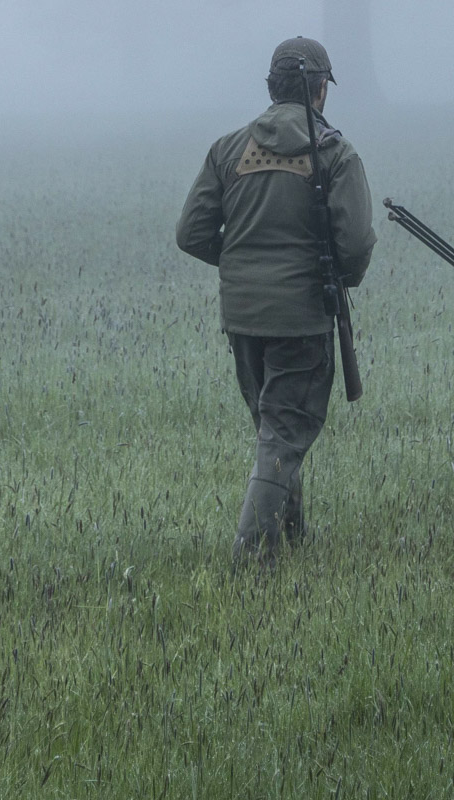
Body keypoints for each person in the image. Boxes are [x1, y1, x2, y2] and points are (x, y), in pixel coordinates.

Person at [176, 36, 375, 564]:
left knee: (274, 431)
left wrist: (244, 267)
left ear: (271, 88)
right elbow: (354, 245)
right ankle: (250, 556)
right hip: (303, 316)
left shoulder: (228, 148)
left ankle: (292, 537)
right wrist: (332, 276)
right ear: (320, 91)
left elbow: (192, 233)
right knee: (284, 433)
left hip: (243, 316)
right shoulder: (335, 152)